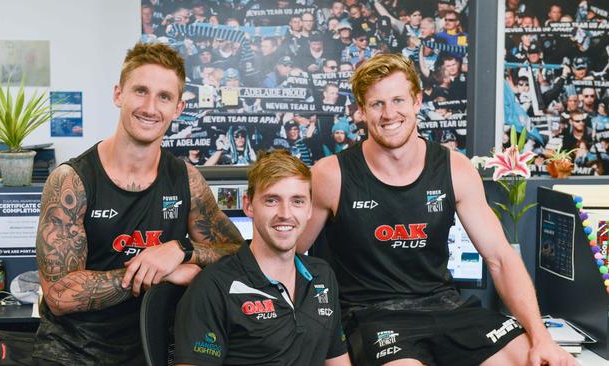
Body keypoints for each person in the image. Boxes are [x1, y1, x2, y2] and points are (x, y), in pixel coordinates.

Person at [297, 54, 576, 366]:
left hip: (448, 309)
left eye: (398, 100)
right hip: (373, 318)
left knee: (541, 361)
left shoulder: (455, 168)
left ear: (417, 101)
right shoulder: (330, 175)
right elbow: (288, 255)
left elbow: (500, 258)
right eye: (377, 104)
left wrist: (541, 337)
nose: (389, 114)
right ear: (361, 111)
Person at [33, 43, 244, 365]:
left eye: (164, 97)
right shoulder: (71, 181)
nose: (150, 107)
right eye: (140, 91)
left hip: (154, 345)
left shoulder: (186, 180)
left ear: (178, 107)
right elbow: (60, 294)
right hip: (74, 352)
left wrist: (181, 251)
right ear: (119, 94)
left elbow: (236, 251)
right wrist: (156, 271)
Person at [173, 150, 351, 366]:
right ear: (248, 205)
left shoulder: (322, 276)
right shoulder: (214, 286)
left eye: (297, 201)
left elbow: (338, 361)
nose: (285, 213)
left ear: (309, 208)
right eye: (272, 200)